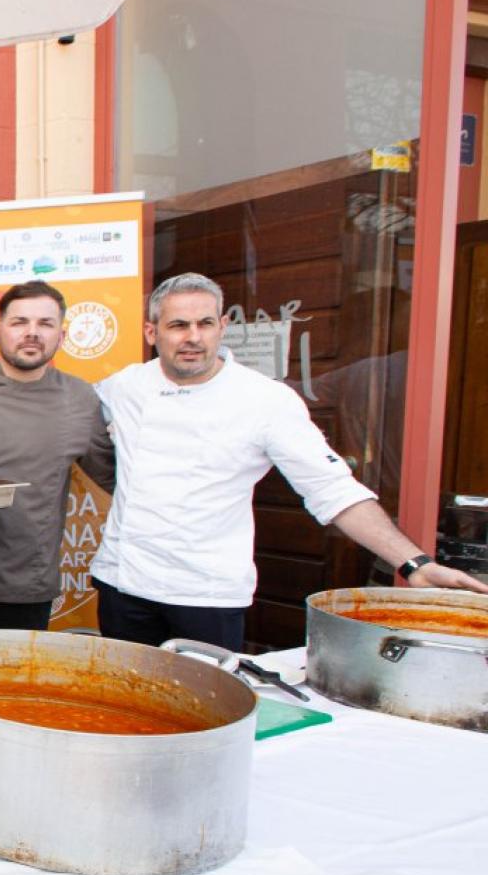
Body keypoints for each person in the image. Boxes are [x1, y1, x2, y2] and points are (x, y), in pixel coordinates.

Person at [92, 273, 487, 647]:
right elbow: (63, 412)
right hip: (123, 585)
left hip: (205, 594)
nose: (193, 337)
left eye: (205, 323)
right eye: (179, 325)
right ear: (151, 332)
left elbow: (331, 489)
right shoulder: (126, 386)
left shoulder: (265, 400)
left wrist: (413, 563)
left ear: (223, 326)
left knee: (202, 713)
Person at [0, 281, 116, 631]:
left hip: (31, 585)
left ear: (61, 336)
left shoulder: (81, 399)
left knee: (15, 685)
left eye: (45, 324)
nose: (32, 333)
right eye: (20, 322)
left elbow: (116, 477)